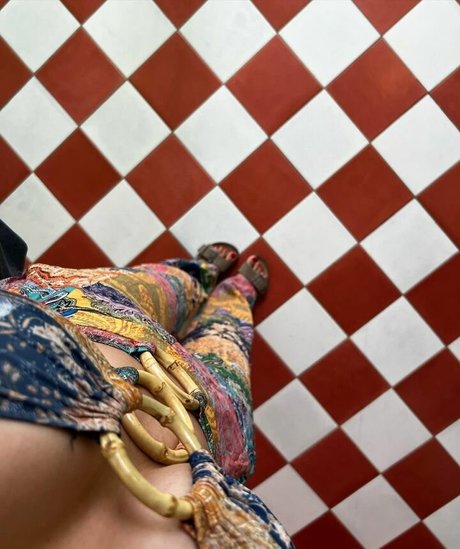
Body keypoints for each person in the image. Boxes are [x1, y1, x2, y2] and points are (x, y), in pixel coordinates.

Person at [0, 232, 293, 548]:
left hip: (80, 308)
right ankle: (235, 297)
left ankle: (201, 273)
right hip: (214, 420)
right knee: (226, 337)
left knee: (166, 285)